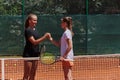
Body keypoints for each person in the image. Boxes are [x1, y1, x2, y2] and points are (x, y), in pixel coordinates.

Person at [22, 13, 50, 80]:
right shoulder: (28, 30)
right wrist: (45, 37)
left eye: (36, 20)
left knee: (33, 74)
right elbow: (34, 42)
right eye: (34, 20)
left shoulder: (35, 30)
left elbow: (37, 42)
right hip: (28, 55)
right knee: (26, 74)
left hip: (35, 54)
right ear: (29, 21)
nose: (35, 22)